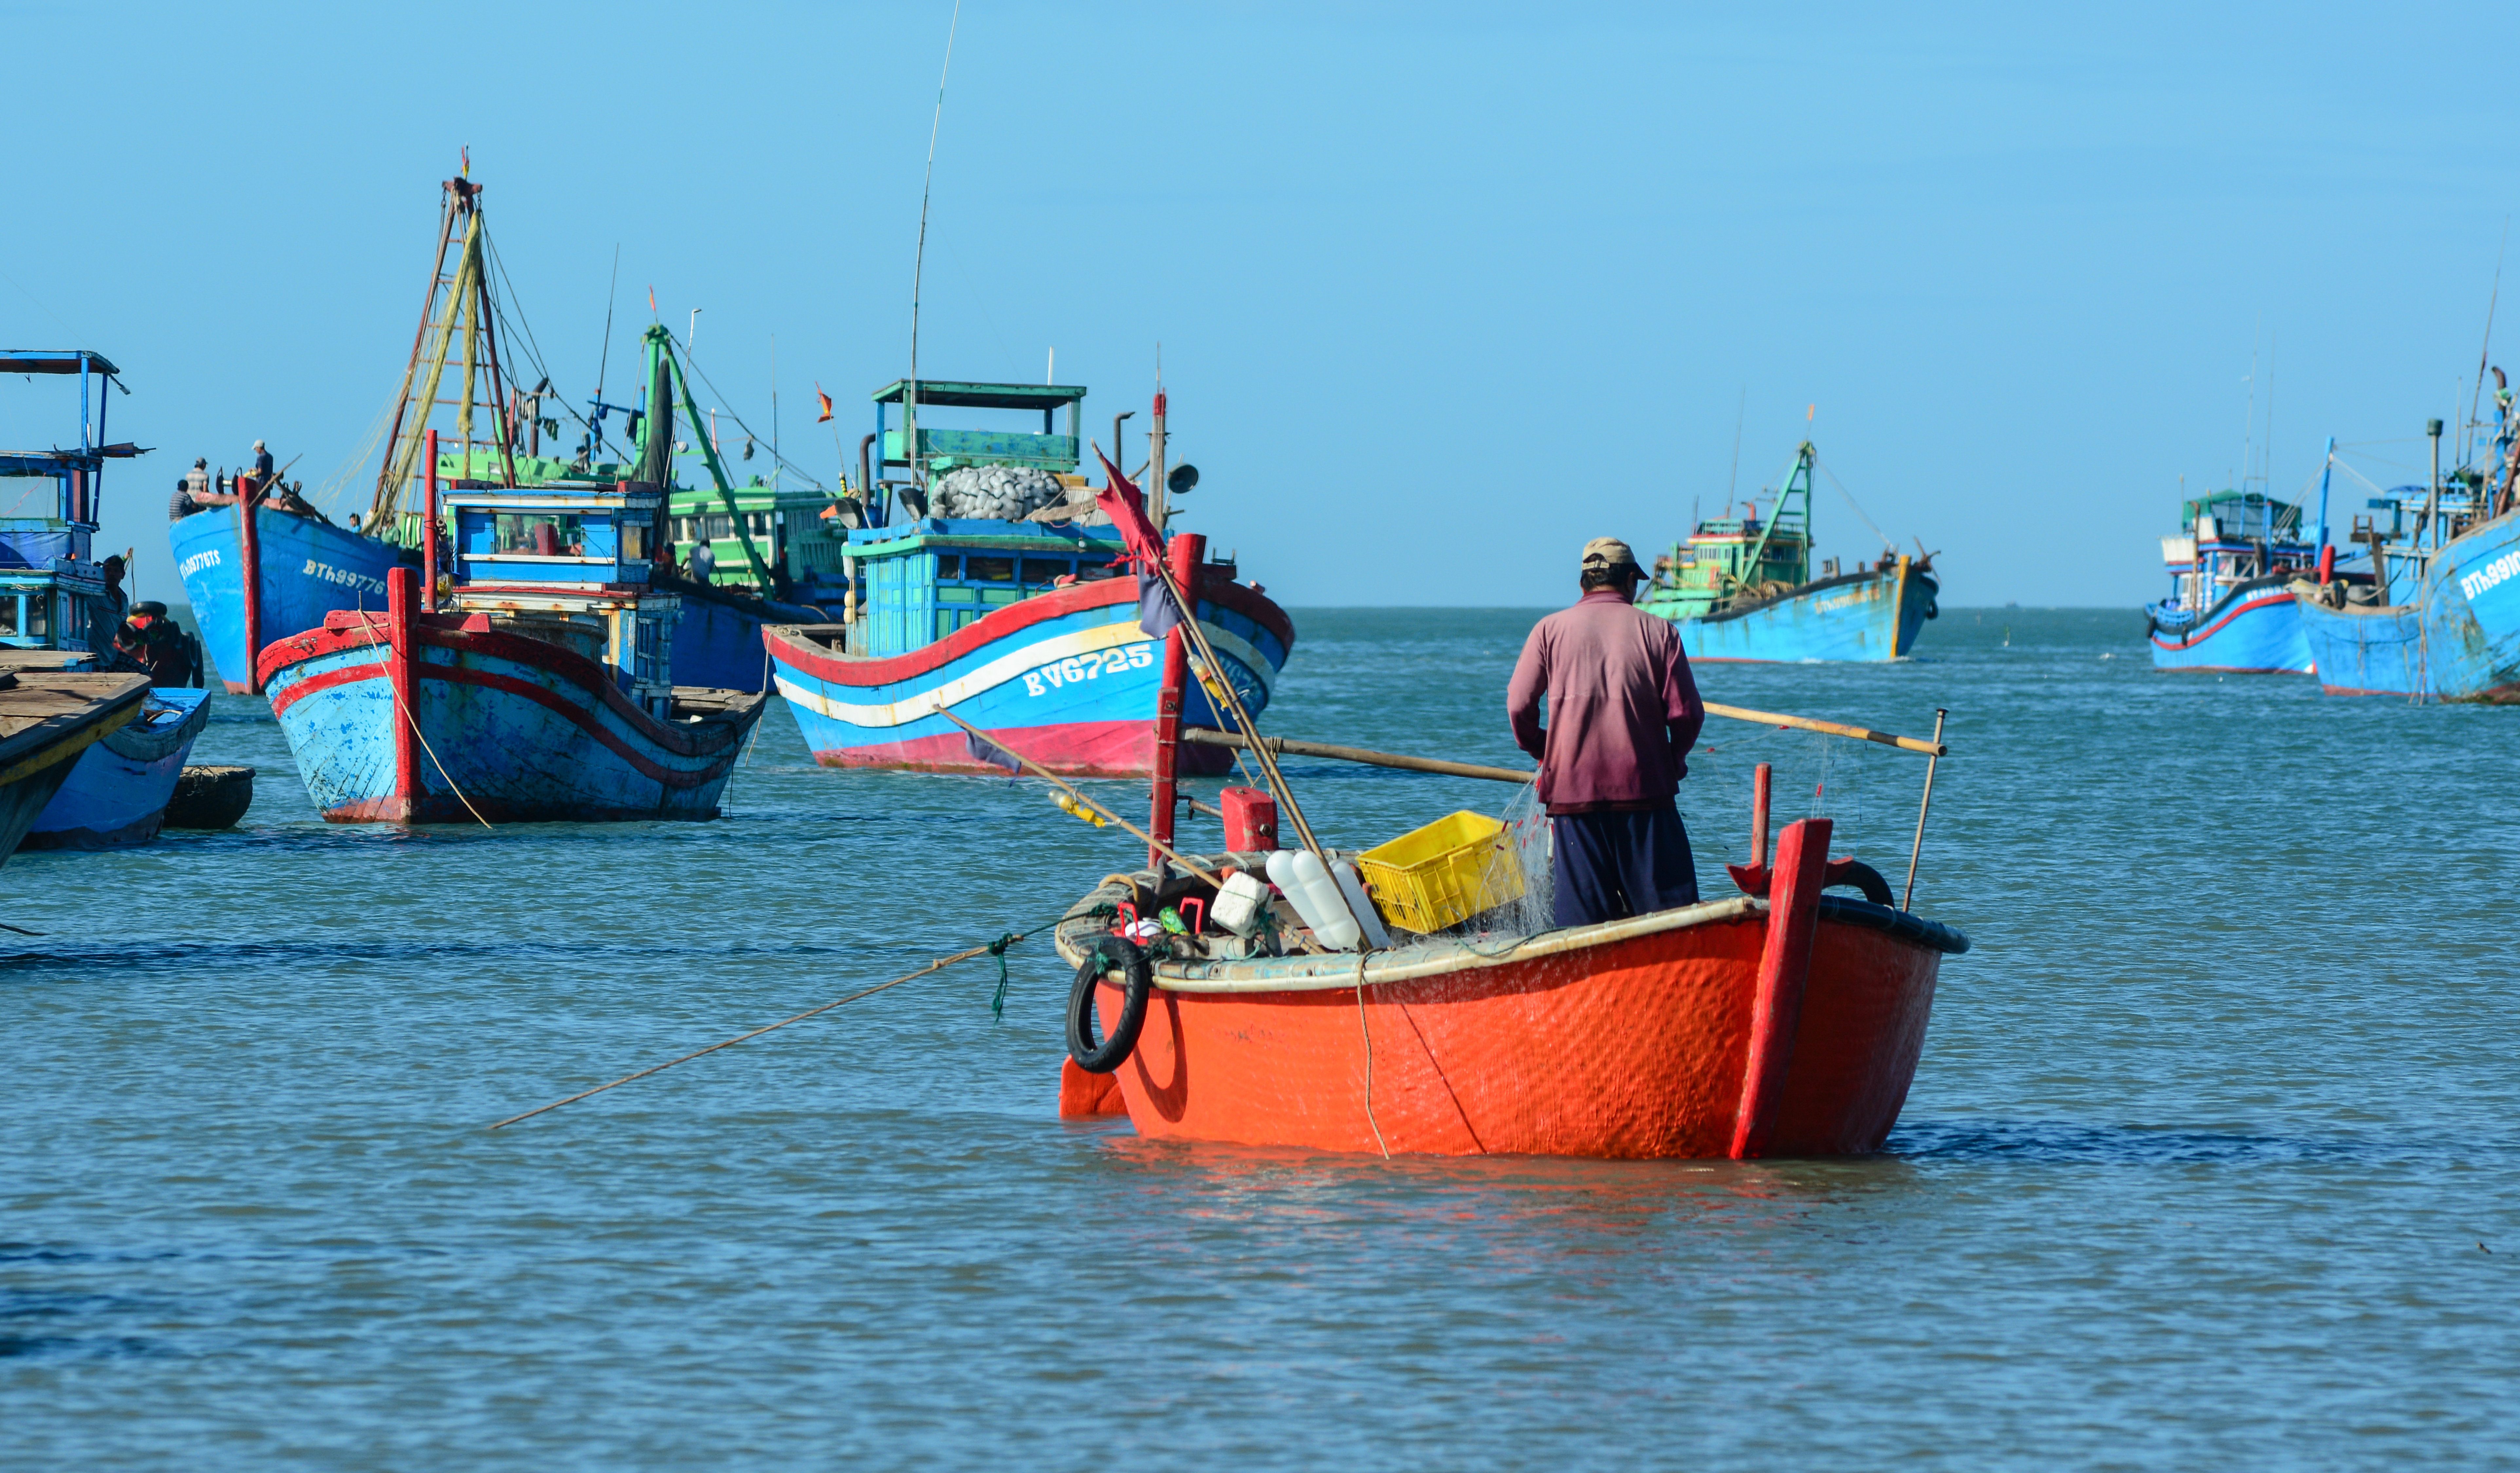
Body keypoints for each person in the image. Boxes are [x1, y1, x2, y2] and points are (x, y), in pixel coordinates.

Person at [1506, 537, 1707, 927]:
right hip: (1646, 796)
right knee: (1674, 924)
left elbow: (1518, 704)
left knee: (1582, 931)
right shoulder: (1659, 632)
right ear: (1631, 581)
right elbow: (1688, 714)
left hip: (1574, 800)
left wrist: (1546, 751)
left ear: (1583, 584)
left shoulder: (1549, 630)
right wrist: (1672, 760)